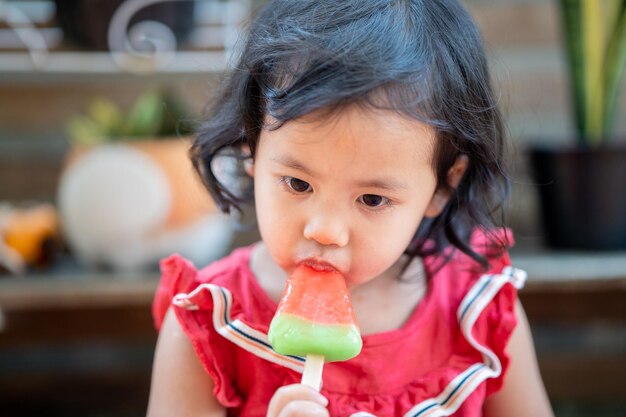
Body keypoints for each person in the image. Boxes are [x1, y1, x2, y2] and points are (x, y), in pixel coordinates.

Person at [147, 0, 554, 416]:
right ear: (252, 149)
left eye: (373, 199)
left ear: (443, 185)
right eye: (298, 183)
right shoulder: (206, 323)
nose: (325, 230)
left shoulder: (479, 314)